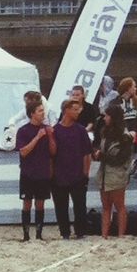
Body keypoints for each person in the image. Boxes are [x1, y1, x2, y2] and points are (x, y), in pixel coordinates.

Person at [51, 99, 92, 239]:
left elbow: (87, 153)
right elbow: (51, 154)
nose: (77, 112)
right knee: (61, 207)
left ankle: (80, 232)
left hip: (77, 175)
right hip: (59, 175)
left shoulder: (80, 130)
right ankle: (65, 233)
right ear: (66, 110)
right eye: (74, 109)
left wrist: (86, 173)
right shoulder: (55, 130)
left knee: (80, 206)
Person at [15, 101, 55, 241]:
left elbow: (53, 152)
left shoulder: (47, 129)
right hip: (28, 172)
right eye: (39, 111)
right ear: (32, 114)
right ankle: (26, 234)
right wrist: (38, 137)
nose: (43, 113)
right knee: (27, 202)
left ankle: (39, 234)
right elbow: (23, 152)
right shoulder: (23, 131)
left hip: (43, 172)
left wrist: (49, 136)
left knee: (40, 203)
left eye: (43, 111)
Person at [94, 105, 133, 239]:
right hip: (104, 174)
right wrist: (97, 154)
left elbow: (120, 159)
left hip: (117, 174)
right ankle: (104, 234)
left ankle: (121, 234)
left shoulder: (125, 137)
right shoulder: (104, 132)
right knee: (106, 206)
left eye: (107, 116)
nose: (104, 118)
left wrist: (102, 156)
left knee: (119, 205)